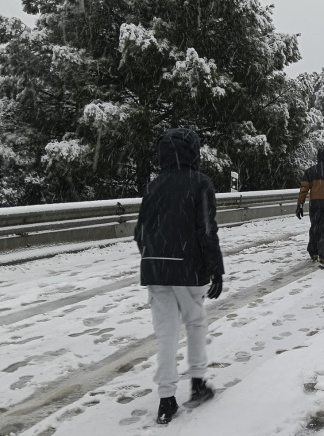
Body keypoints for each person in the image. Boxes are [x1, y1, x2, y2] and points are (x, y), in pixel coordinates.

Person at [134, 129, 224, 425]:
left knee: (166, 333)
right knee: (195, 322)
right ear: (193, 152)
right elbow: (207, 230)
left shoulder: (154, 186)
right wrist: (216, 268)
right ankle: (197, 383)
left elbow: (140, 232)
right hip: (188, 267)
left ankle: (166, 400)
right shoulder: (200, 183)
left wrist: (154, 255)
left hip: (155, 268)